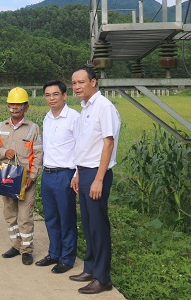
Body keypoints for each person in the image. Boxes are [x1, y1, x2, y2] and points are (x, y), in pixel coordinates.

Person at [69, 66, 120, 295]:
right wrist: (78, 173)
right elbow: (85, 146)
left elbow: (108, 144)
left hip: (97, 174)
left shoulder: (104, 107)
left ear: (93, 82)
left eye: (81, 82)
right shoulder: (85, 109)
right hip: (85, 172)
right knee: (89, 225)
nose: (77, 86)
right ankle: (89, 268)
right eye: (74, 83)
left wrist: (98, 179)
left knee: (99, 226)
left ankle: (102, 278)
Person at [0, 87, 43, 266]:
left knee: (25, 217)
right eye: (11, 104)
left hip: (25, 179)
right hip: (7, 177)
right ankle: (15, 245)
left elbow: (38, 155)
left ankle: (27, 250)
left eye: (18, 105)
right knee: (10, 214)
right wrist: (5, 151)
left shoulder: (33, 129)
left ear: (26, 107)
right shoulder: (0, 127)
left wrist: (32, 177)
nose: (14, 107)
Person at [35, 80, 80, 274]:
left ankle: (67, 258)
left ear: (64, 95)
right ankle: (54, 253)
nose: (51, 98)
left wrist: (77, 174)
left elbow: (81, 147)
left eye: (55, 94)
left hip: (65, 175)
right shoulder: (47, 117)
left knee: (66, 217)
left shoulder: (74, 118)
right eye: (47, 95)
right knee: (51, 217)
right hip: (48, 174)